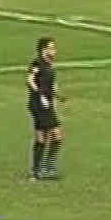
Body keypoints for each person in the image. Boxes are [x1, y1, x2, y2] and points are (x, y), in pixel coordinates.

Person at [27, 37, 63, 181]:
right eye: (51, 48)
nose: (54, 51)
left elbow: (51, 84)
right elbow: (30, 80)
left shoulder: (49, 64)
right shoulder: (37, 63)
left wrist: (57, 95)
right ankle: (41, 170)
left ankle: (43, 169)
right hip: (39, 104)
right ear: (44, 49)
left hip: (47, 104)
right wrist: (40, 95)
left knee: (48, 136)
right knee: (52, 135)